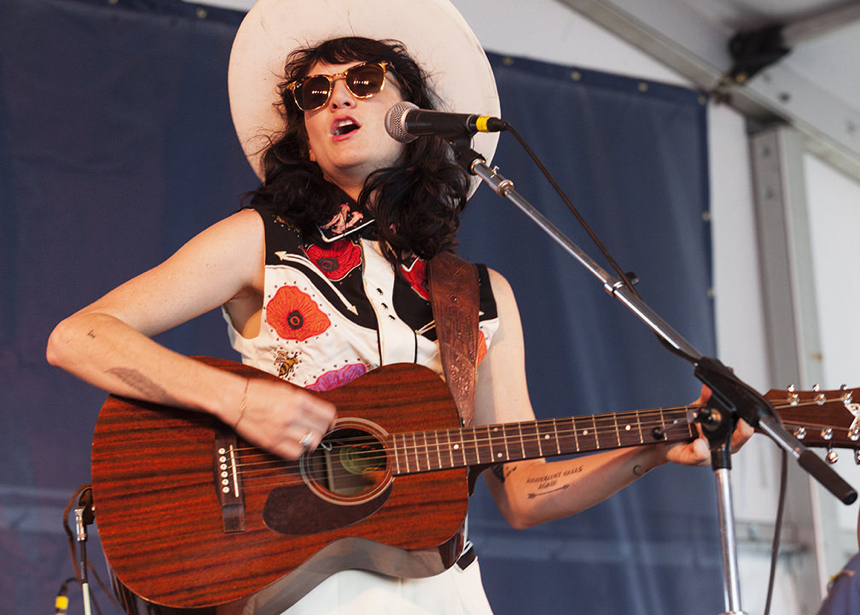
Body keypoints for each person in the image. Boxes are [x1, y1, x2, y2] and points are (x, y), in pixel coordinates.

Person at [46, 0, 752, 612]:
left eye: (359, 81)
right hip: (294, 589)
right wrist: (237, 402)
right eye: (312, 93)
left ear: (413, 115)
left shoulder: (476, 295)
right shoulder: (259, 243)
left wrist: (656, 445)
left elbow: (525, 489)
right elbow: (80, 336)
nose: (334, 101)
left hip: (444, 593)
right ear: (303, 133)